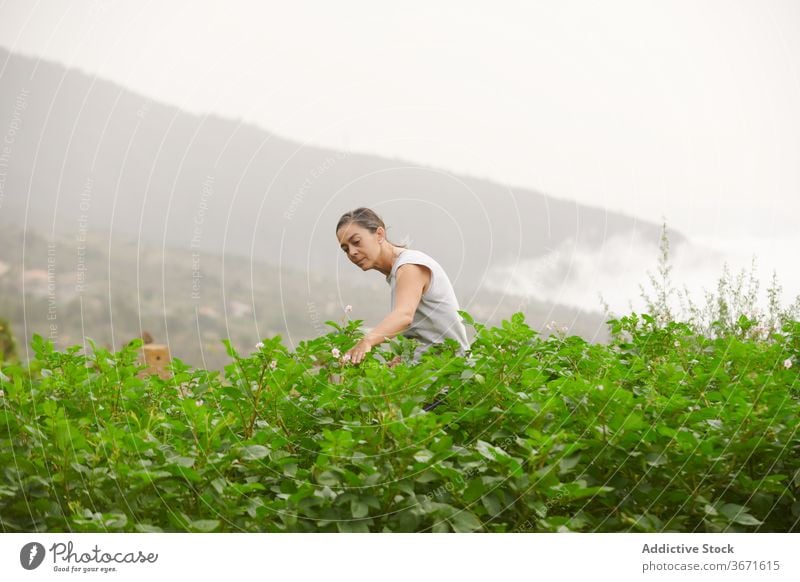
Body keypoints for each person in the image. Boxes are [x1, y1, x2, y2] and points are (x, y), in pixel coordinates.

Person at [335, 207, 470, 368]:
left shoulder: (410, 266)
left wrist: (367, 341)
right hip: (429, 373)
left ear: (379, 234)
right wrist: (404, 360)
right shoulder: (396, 272)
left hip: (450, 376)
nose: (352, 252)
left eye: (356, 242)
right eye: (345, 249)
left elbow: (404, 316)